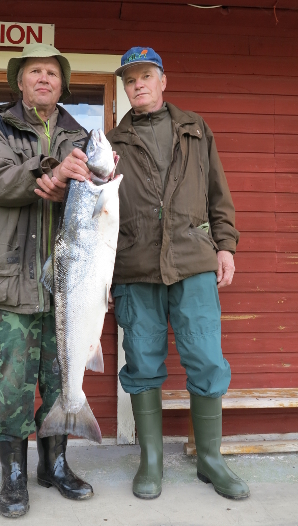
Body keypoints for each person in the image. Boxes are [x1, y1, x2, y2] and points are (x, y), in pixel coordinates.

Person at [107, 47, 250, 501]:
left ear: (163, 81)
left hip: (193, 262)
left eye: (146, 76)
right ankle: (151, 461)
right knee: (142, 363)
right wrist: (103, 276)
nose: (138, 85)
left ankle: (210, 459)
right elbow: (99, 214)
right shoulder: (112, 143)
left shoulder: (195, 128)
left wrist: (225, 246)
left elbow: (218, 193)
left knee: (206, 359)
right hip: (135, 267)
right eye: (130, 80)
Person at [0, 43, 93, 518]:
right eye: (35, 71)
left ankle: (54, 465)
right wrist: (51, 172)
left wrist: (95, 179)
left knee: (62, 382)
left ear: (62, 84)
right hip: (9, 284)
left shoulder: (81, 137)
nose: (44, 78)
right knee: (12, 387)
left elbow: (91, 201)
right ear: (19, 81)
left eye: (52, 73)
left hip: (66, 288)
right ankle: (14, 476)